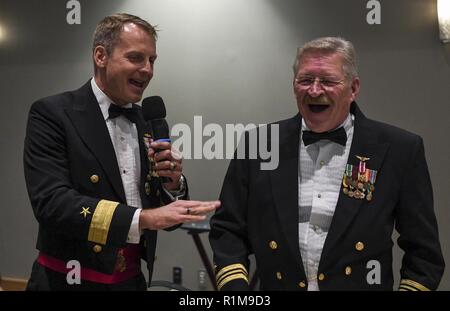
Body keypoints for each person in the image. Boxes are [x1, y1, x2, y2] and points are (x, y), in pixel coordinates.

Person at [209, 37, 444, 291]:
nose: (314, 90)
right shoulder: (259, 144)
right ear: (294, 85)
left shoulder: (400, 150)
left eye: (328, 81)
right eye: (306, 80)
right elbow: (228, 229)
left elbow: (424, 254)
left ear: (353, 89)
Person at [24, 13, 220, 291]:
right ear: (101, 56)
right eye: (136, 58)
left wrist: (173, 185)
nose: (148, 70)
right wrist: (145, 219)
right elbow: (52, 204)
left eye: (152, 60)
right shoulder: (53, 113)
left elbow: (160, 212)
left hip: (131, 281)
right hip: (67, 281)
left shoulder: (146, 122)